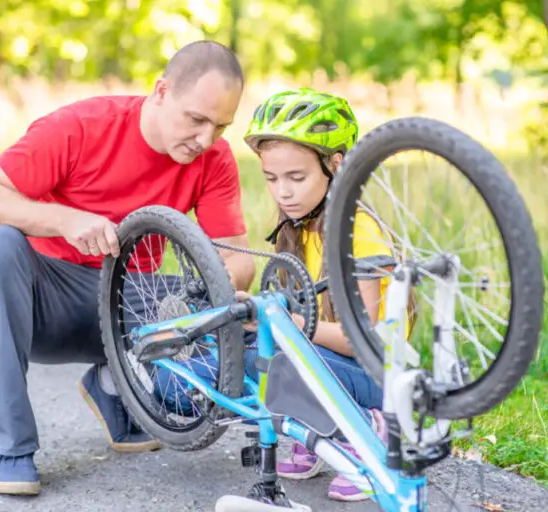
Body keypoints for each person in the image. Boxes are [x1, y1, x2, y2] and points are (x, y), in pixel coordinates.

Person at [0, 40, 257, 496]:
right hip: (44, 300)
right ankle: (13, 449)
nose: (206, 139)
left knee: (234, 311)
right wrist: (65, 219)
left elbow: (237, 259)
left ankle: (115, 383)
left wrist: (219, 294)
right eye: (196, 119)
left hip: (130, 301)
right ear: (160, 91)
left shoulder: (213, 158)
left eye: (221, 125)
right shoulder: (80, 127)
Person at [153, 87, 414, 502]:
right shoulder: (294, 229)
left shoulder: (358, 232)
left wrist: (290, 326)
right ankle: (313, 428)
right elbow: (289, 309)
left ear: (336, 166)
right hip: (311, 358)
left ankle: (364, 429)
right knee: (171, 382)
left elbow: (365, 341)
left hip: (370, 374)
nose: (283, 192)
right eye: (272, 179)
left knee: (276, 361)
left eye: (296, 178)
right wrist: (252, 315)